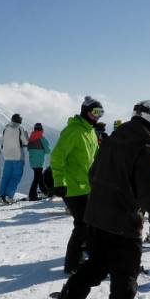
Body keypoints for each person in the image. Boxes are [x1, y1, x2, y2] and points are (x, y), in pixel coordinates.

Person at [54, 100, 150, 299]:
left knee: (95, 264)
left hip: (96, 216)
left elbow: (93, 172)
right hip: (123, 222)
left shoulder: (113, 139)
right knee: (125, 274)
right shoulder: (145, 148)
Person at [50, 96, 104, 273]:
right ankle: (72, 264)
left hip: (86, 186)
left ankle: (86, 255)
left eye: (101, 113)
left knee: (91, 223)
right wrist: (59, 181)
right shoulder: (73, 131)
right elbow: (57, 156)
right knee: (82, 224)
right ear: (85, 111)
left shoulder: (90, 132)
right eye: (95, 112)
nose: (97, 116)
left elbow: (95, 159)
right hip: (72, 187)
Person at [0, 113, 29, 203]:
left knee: (5, 177)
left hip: (7, 156)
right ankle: (8, 196)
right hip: (17, 156)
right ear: (19, 121)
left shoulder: (6, 128)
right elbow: (25, 142)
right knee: (15, 177)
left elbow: (3, 142)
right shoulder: (20, 128)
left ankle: (1, 196)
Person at [27, 123, 51, 200]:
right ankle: (32, 195)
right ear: (41, 129)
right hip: (39, 162)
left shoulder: (31, 138)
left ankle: (46, 192)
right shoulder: (42, 138)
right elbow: (48, 150)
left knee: (39, 178)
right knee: (37, 179)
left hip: (33, 162)